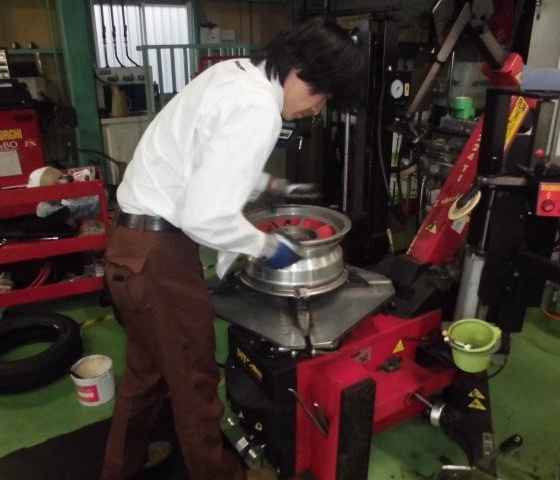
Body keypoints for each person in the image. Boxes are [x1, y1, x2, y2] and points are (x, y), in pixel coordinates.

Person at [101, 16, 364, 480]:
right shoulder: (258, 108)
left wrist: (268, 184)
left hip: (130, 246)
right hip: (160, 259)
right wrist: (266, 246)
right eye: (320, 95)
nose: (315, 109)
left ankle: (121, 467)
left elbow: (207, 157)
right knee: (195, 385)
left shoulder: (234, 73)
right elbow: (205, 217)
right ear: (299, 71)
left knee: (145, 374)